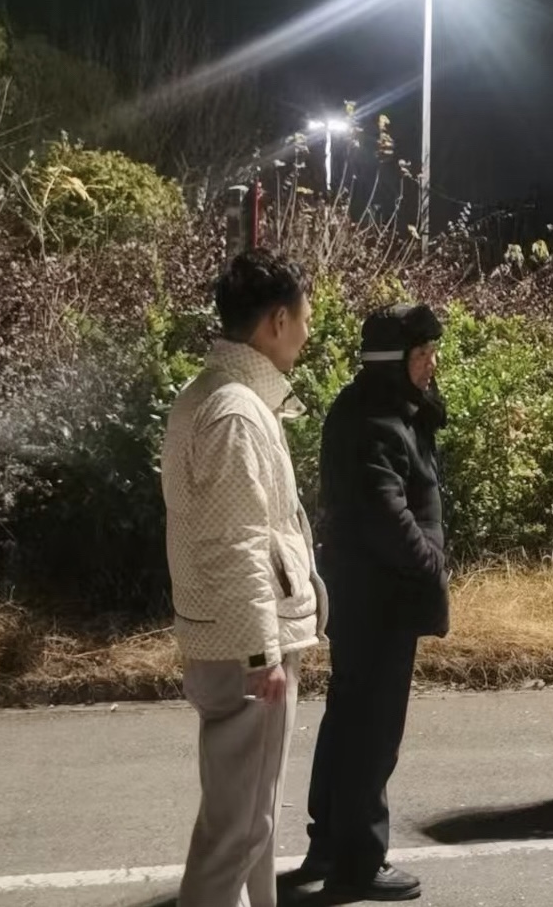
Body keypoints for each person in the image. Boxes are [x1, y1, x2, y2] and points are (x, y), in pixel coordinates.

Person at [161, 249, 324, 907]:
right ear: (277, 321)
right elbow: (236, 543)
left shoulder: (217, 395)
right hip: (245, 649)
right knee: (239, 829)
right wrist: (262, 652)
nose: (308, 333)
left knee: (252, 819)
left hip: (232, 638)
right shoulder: (235, 411)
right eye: (305, 318)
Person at [298, 304, 449, 901]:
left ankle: (330, 843)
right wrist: (432, 565)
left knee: (349, 718)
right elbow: (387, 514)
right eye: (422, 354)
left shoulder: (382, 405)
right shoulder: (376, 417)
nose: (432, 364)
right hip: (380, 597)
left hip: (367, 594)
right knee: (372, 731)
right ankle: (358, 862)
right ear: (393, 360)